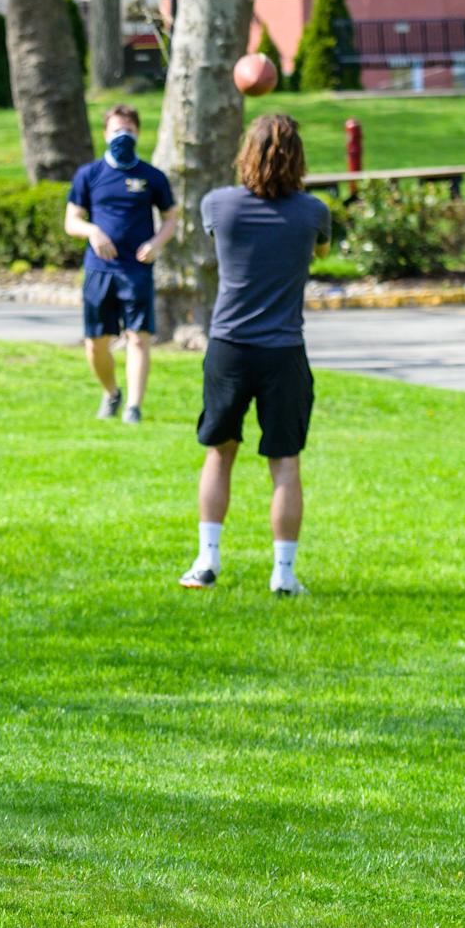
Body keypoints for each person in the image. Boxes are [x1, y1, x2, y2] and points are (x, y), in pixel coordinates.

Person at [181, 112, 332, 597]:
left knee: (219, 454)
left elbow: (218, 239)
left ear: (246, 153)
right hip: (284, 351)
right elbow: (321, 253)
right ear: (298, 158)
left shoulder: (217, 206)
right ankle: (283, 575)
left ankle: (207, 562)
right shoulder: (313, 213)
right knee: (285, 462)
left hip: (229, 348)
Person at [66, 104, 178, 425]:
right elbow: (71, 221)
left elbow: (171, 217)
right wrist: (93, 231)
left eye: (128, 129)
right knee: (96, 344)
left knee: (139, 337)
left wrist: (156, 243)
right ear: (105, 133)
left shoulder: (151, 176)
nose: (122, 135)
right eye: (116, 130)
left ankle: (133, 407)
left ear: (138, 133)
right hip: (100, 270)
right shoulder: (89, 175)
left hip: (137, 269)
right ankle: (112, 392)